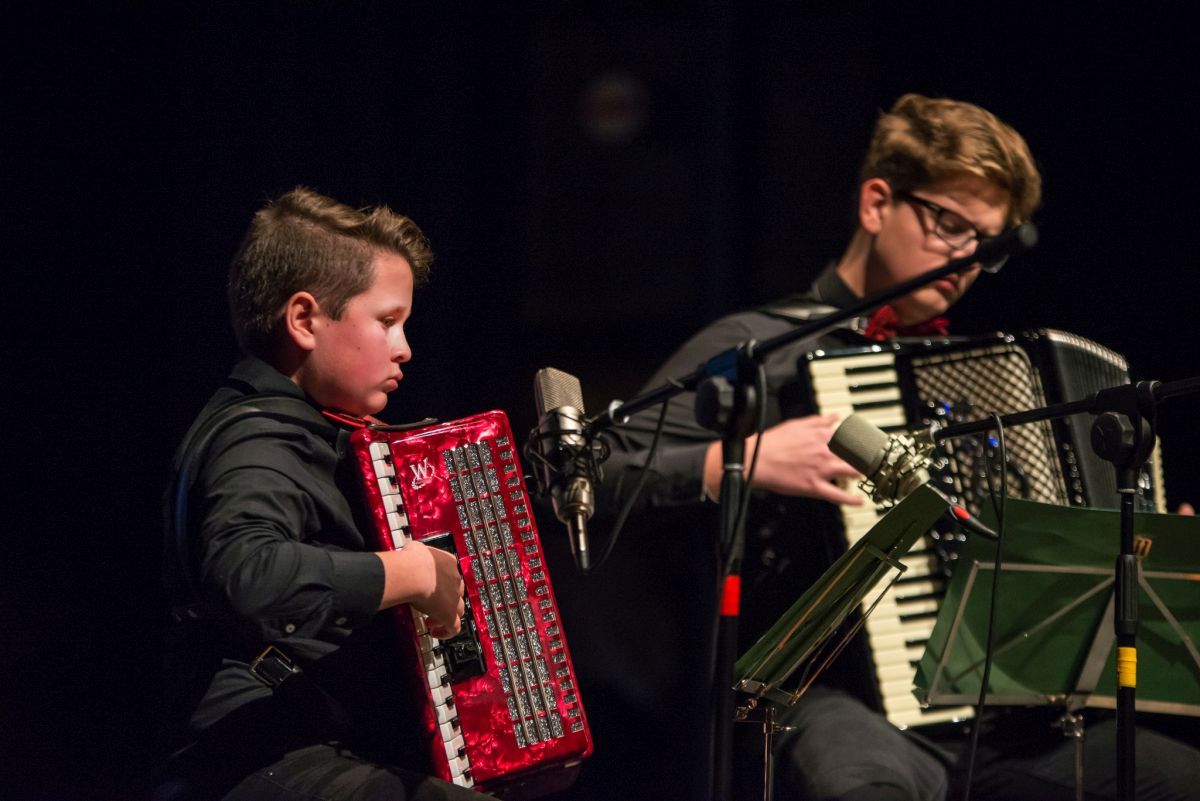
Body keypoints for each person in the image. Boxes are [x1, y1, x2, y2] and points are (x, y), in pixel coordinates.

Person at [596, 95, 1200, 801]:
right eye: (951, 225)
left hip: (996, 714)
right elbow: (594, 473)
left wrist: (1136, 554)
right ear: (877, 203)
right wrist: (736, 462)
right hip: (827, 695)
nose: (966, 259)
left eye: (987, 245)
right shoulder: (761, 348)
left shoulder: (982, 376)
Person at [152, 187, 484, 801]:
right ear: (304, 320)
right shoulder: (258, 433)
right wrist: (408, 573)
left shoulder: (318, 431)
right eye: (387, 321)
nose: (405, 347)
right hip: (251, 759)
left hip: (313, 747)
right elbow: (247, 571)